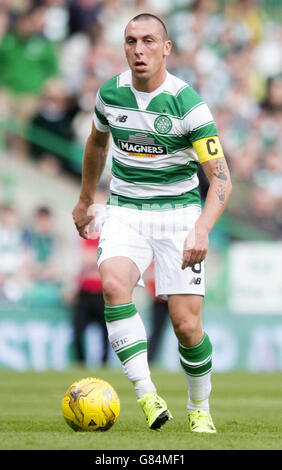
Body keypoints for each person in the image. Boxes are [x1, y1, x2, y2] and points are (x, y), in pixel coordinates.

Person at [72, 13, 232, 434]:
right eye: (130, 41)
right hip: (125, 210)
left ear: (166, 48)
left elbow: (220, 177)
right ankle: (147, 395)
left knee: (186, 325)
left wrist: (201, 227)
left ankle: (200, 406)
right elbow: (96, 142)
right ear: (123, 47)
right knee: (112, 285)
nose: (138, 50)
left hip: (179, 214)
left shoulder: (188, 104)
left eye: (148, 41)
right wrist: (87, 198)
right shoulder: (110, 94)